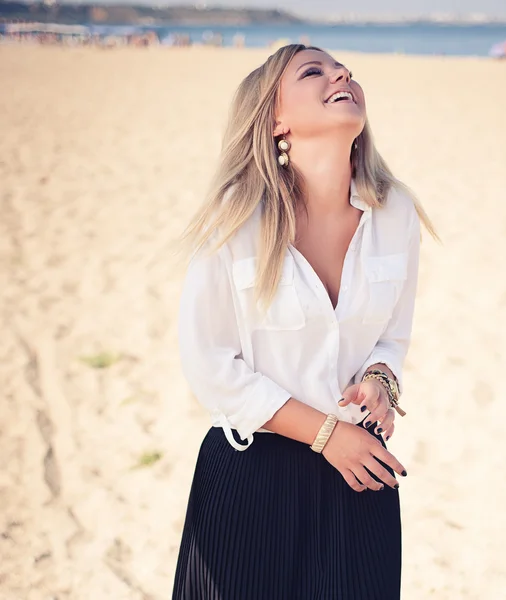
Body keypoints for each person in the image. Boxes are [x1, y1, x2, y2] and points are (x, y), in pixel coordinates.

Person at [171, 44, 437, 599]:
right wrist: (323, 435)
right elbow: (210, 366)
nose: (341, 73)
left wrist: (382, 382)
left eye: (343, 69)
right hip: (252, 474)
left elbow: (393, 336)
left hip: (360, 476)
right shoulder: (234, 217)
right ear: (274, 120)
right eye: (313, 72)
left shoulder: (397, 213)